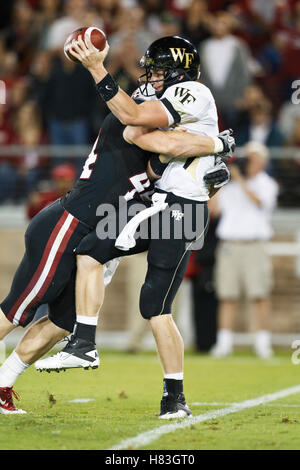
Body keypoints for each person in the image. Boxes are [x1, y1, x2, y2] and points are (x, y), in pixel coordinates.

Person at [35, 34, 234, 419]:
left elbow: (135, 122)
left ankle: (94, 348)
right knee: (108, 266)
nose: (152, 77)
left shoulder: (194, 91)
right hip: (167, 204)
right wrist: (210, 144)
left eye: (159, 71)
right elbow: (145, 143)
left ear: (178, 71)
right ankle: (156, 387)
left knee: (147, 300)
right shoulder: (174, 101)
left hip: (180, 208)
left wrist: (97, 68)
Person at [211, 141, 279, 359]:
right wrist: (214, 184)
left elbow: (260, 202)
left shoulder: (267, 183)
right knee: (226, 295)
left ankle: (262, 342)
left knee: (259, 294)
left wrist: (240, 180)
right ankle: (224, 342)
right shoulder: (229, 184)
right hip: (230, 244)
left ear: (262, 162)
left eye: (253, 158)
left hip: (254, 245)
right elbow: (213, 211)